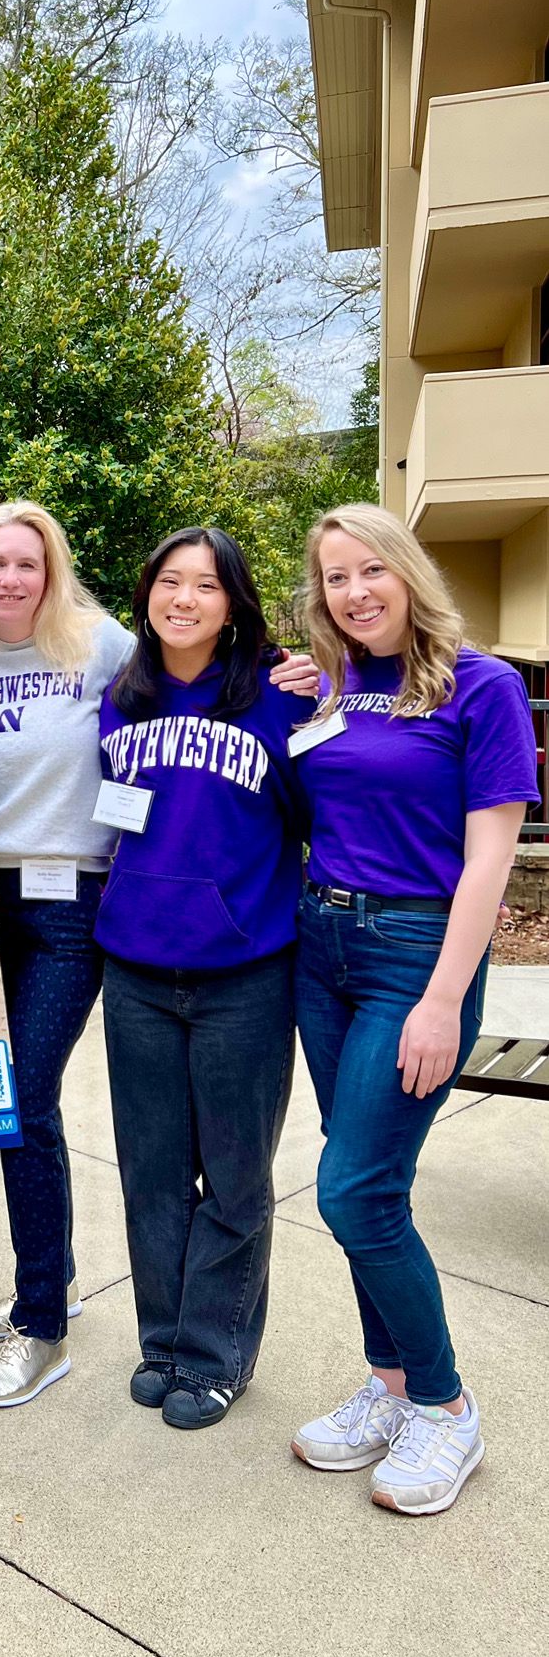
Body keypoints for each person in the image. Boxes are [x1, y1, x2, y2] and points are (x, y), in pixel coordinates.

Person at [289, 504, 535, 1515]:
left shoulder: (487, 686)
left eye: (368, 570)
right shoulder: (330, 687)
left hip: (413, 955)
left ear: (407, 570)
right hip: (321, 947)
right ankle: (390, 1386)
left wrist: (442, 998)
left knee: (352, 1190)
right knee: (367, 1179)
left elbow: (492, 859)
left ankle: (445, 1401)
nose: (353, 591)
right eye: (334, 577)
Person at [97, 527, 312, 1429]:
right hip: (137, 968)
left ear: (233, 604)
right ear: (146, 595)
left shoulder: (279, 695)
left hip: (244, 974)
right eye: (169, 583)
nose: (183, 599)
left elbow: (316, 813)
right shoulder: (123, 695)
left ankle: (217, 1355)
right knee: (150, 1174)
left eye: (206, 586)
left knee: (233, 1177)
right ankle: (164, 1342)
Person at [0, 500, 134, 1409]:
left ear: (52, 570)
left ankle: (42, 1328)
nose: (12, 579)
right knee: (4, 1100)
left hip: (73, 903)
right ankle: (49, 1279)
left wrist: (290, 676)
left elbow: (195, 683)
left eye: (28, 563)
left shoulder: (100, 646)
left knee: (21, 1102)